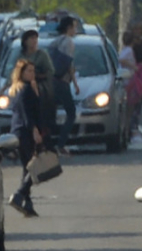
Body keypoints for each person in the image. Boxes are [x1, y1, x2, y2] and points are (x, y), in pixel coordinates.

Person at [7, 59, 43, 218]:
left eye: (33, 71)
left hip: (17, 131)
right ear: (21, 73)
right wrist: (35, 130)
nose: (32, 74)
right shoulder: (25, 89)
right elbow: (28, 113)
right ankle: (19, 194)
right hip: (26, 132)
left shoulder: (17, 89)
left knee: (27, 167)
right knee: (33, 167)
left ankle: (28, 205)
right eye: (29, 71)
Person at [16, 29, 55, 142]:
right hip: (23, 85)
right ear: (25, 41)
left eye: (35, 39)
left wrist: (37, 76)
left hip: (40, 85)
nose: (34, 41)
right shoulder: (20, 55)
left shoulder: (42, 55)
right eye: (31, 39)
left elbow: (50, 71)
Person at [50, 16, 79, 155]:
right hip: (62, 82)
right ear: (69, 28)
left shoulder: (54, 42)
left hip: (51, 81)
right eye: (74, 27)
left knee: (50, 113)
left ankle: (48, 143)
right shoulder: (69, 43)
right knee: (71, 113)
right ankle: (61, 143)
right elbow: (68, 64)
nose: (75, 30)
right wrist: (74, 83)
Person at [119, 31, 142, 142]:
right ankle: (127, 132)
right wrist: (134, 67)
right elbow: (122, 60)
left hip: (127, 81)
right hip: (129, 82)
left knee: (129, 109)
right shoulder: (129, 51)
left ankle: (127, 131)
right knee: (130, 109)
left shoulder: (124, 50)